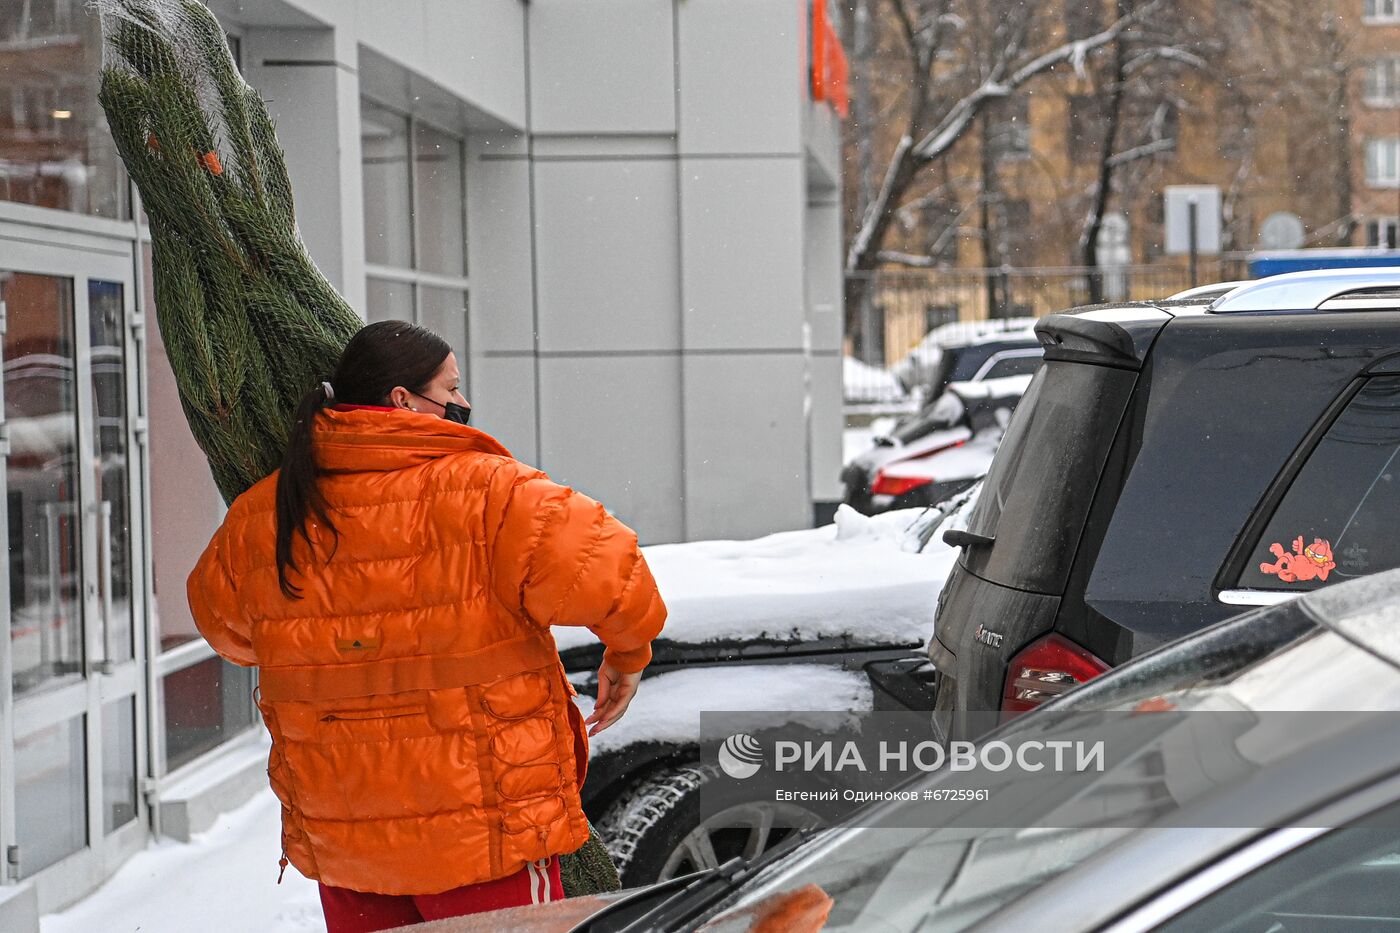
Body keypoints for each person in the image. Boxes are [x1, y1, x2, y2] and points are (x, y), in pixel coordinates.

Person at [187, 320, 666, 932]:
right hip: (482, 822)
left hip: (346, 826)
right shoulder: (494, 492)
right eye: (451, 388)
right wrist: (627, 657)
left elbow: (224, 630)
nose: (462, 405)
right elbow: (614, 574)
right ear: (402, 400)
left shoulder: (269, 511)